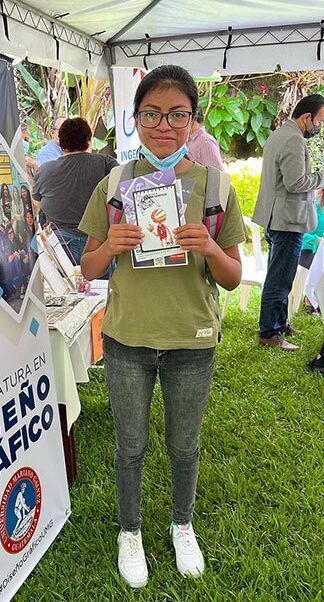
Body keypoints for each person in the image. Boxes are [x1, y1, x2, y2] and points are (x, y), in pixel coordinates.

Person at [79, 65, 245, 588]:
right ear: (136, 119)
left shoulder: (215, 185)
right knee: (130, 446)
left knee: (184, 445)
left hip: (191, 341)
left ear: (194, 122)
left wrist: (211, 247)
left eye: (177, 115)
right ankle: (130, 532)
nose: (164, 125)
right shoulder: (115, 183)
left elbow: (235, 276)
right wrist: (112, 246)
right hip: (127, 339)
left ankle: (181, 524)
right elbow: (87, 266)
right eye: (151, 114)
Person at [252, 94, 324, 350]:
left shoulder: (279, 134)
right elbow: (296, 183)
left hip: (277, 217)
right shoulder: (293, 139)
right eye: (318, 122)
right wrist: (321, 177)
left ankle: (279, 324)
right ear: (306, 117)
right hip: (286, 220)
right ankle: (269, 332)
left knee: (281, 273)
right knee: (280, 278)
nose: (318, 128)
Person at [33, 117, 118, 264]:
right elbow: (124, 194)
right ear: (88, 139)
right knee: (102, 287)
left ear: (61, 141)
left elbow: (37, 203)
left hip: (60, 246)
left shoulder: (45, 170)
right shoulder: (105, 163)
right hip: (98, 244)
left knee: (65, 286)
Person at [299, 189, 324, 314]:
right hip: (306, 250)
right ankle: (310, 299)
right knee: (319, 264)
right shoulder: (312, 202)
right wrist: (317, 240)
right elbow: (299, 233)